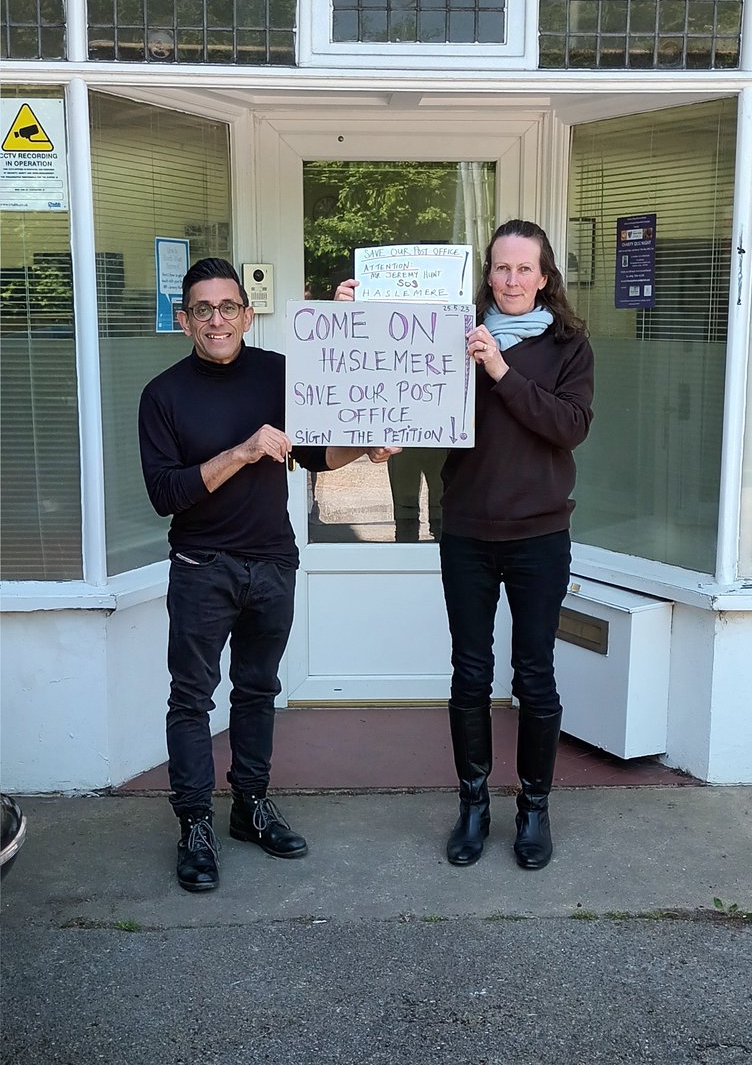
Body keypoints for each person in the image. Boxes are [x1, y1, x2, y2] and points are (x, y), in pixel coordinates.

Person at [335, 218, 594, 871]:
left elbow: (570, 427)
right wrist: (354, 319)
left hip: (540, 534)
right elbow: (392, 366)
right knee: (470, 673)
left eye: (523, 269)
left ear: (544, 276)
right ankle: (473, 804)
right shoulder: (450, 328)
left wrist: (500, 368)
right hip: (468, 531)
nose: (510, 279)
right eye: (500, 268)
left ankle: (533, 808)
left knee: (535, 676)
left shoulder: (568, 344)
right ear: (487, 272)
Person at [139, 258, 396, 894]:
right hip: (202, 567)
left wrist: (362, 448)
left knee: (257, 691)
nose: (217, 320)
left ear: (247, 314)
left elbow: (312, 452)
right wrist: (243, 451)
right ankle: (194, 822)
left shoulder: (281, 372)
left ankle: (250, 807)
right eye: (203, 309)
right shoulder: (163, 395)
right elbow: (165, 493)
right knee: (191, 698)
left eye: (229, 307)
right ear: (185, 321)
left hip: (272, 561)